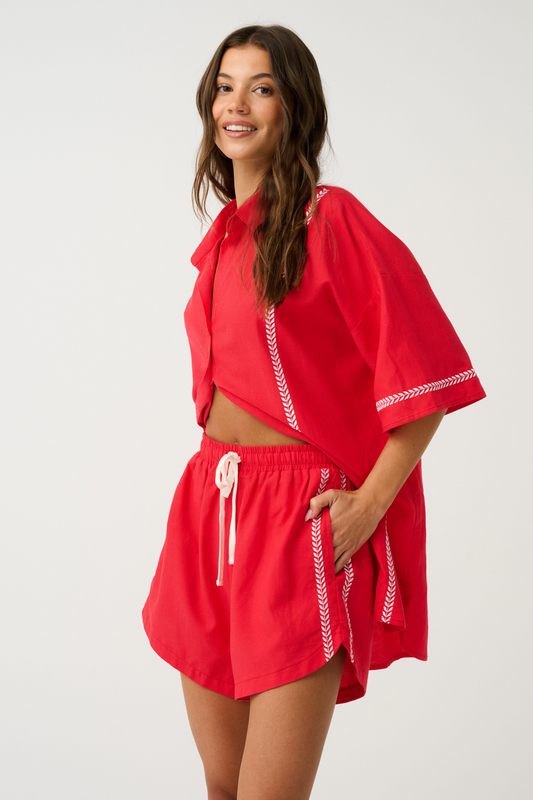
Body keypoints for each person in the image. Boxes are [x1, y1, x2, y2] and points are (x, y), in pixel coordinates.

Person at [142, 24, 486, 800]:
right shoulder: (222, 242)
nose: (236, 104)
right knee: (223, 785)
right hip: (211, 509)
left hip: (296, 519)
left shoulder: (331, 220)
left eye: (260, 87)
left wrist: (368, 505)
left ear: (293, 106)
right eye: (224, 87)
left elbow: (425, 378)